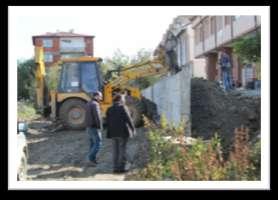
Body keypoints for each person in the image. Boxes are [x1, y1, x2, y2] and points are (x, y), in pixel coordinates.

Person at [106, 94, 135, 173]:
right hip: (122, 133)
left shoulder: (109, 109)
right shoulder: (123, 108)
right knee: (122, 150)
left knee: (115, 151)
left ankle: (115, 168)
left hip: (113, 133)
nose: (124, 100)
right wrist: (133, 129)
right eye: (123, 99)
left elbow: (107, 122)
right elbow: (129, 120)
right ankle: (121, 168)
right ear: (120, 100)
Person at [85, 91, 103, 166]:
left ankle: (92, 160)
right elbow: (97, 117)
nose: (101, 98)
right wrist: (100, 127)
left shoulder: (88, 103)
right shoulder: (95, 104)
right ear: (96, 96)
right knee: (98, 144)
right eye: (100, 96)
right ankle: (89, 158)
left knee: (92, 144)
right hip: (94, 127)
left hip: (88, 127)